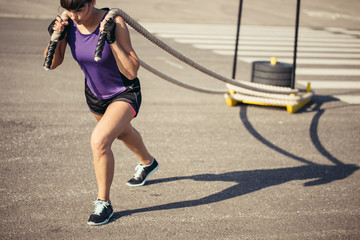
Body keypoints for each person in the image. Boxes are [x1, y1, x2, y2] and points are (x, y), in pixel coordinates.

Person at [43, 0, 159, 226]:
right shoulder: (68, 24)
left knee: (99, 141)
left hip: (124, 92)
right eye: (69, 10)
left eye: (79, 9)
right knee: (122, 133)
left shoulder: (114, 21)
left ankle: (103, 203)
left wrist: (112, 39)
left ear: (92, 2)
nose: (74, 16)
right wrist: (55, 37)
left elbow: (132, 71)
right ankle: (148, 162)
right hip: (96, 96)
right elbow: (53, 63)